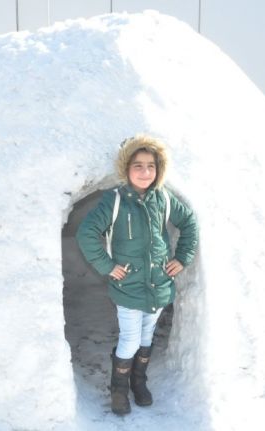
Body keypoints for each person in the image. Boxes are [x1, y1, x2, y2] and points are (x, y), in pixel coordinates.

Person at [76, 135, 199, 415]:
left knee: (146, 336)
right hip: (128, 286)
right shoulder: (115, 201)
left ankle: (138, 381)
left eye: (151, 166)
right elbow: (87, 233)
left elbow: (189, 222)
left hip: (158, 285)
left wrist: (182, 257)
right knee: (130, 339)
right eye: (138, 165)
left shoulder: (163, 198)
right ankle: (119, 388)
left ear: (158, 169)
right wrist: (108, 266)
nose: (145, 172)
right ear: (126, 168)